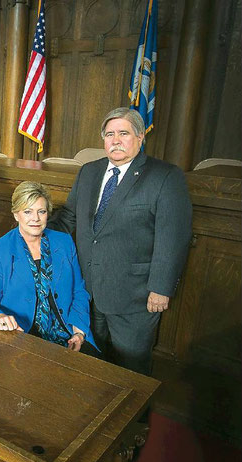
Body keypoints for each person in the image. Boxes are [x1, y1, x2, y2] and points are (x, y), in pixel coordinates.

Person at [48, 107, 192, 375]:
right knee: (90, 365)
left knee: (132, 370)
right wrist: (35, 235)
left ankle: (136, 419)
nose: (115, 140)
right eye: (109, 134)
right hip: (87, 291)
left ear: (140, 137)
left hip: (134, 296)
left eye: (123, 133)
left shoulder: (164, 176)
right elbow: (69, 217)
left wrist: (161, 288)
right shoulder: (89, 172)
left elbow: (173, 236)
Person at [0, 181, 98, 355]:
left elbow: (79, 291)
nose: (36, 219)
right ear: (16, 214)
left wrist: (79, 332)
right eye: (28, 212)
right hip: (21, 336)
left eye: (41, 211)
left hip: (67, 333)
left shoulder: (64, 242)